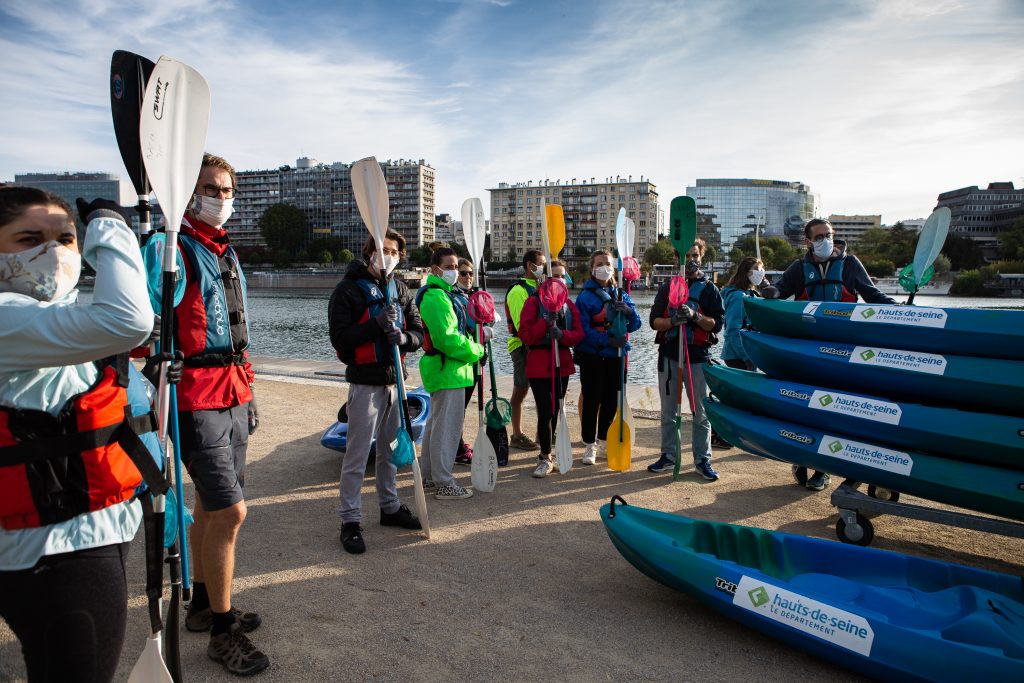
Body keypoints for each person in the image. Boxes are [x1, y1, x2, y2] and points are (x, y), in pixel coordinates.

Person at [0, 188, 166, 682]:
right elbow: (129, 320)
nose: (52, 252)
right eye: (29, 239)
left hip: (84, 526)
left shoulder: (54, 316)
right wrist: (112, 228)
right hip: (55, 547)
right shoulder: (7, 317)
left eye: (65, 239)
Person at [167, 154, 269, 675]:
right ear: (187, 193)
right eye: (210, 187)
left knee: (212, 504)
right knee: (231, 511)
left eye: (227, 189)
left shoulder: (224, 252)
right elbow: (144, 324)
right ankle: (222, 632)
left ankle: (204, 606)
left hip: (233, 390)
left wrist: (250, 392)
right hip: (194, 399)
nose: (220, 197)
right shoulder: (174, 252)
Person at [767, 218, 897, 492]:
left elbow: (872, 295)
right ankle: (802, 456)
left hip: (843, 350)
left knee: (831, 407)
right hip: (808, 349)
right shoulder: (799, 267)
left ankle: (822, 469)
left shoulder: (850, 264)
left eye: (829, 235)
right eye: (819, 236)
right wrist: (769, 291)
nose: (826, 240)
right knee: (804, 406)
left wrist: (900, 310)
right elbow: (782, 291)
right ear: (808, 241)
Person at [328, 231, 425, 554]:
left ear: (401, 255)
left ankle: (389, 506)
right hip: (365, 383)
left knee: (389, 452)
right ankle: (350, 520)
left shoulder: (399, 288)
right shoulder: (348, 290)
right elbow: (341, 339)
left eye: (393, 250)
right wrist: (377, 324)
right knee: (357, 456)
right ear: (368, 253)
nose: (387, 255)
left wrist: (405, 339)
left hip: (395, 382)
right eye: (381, 250)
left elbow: (419, 332)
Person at [647, 239, 725, 481]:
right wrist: (672, 322)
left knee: (700, 413)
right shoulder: (667, 286)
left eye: (695, 255)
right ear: (676, 259)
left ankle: (703, 459)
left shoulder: (710, 289)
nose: (690, 260)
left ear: (701, 257)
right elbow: (654, 322)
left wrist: (694, 315)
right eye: (685, 256)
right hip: (670, 356)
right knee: (668, 412)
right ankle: (668, 456)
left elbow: (716, 325)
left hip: (697, 358)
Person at [416, 247, 487, 499]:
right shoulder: (436, 297)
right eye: (449, 267)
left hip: (448, 369)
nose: (454, 271)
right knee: (446, 429)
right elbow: (447, 339)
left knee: (437, 427)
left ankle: (429, 478)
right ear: (435, 270)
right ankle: (444, 482)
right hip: (448, 369)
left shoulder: (445, 294)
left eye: (456, 267)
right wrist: (477, 349)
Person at [516, 261, 585, 477]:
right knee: (545, 411)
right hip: (539, 364)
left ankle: (553, 450)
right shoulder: (533, 303)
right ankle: (545, 456)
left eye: (562, 275)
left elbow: (579, 333)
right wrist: (544, 323)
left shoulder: (568, 305)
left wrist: (562, 335)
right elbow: (525, 335)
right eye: (553, 275)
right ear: (544, 278)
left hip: (561, 362)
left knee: (557, 409)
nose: (558, 279)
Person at [574, 250, 642, 465]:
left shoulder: (620, 294)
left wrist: (629, 312)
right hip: (593, 356)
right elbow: (582, 330)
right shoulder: (585, 297)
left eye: (608, 264)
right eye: (600, 264)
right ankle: (589, 446)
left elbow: (636, 324)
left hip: (616, 357)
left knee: (611, 402)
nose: (604, 267)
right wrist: (608, 341)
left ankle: (604, 440)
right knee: (592, 401)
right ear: (592, 269)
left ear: (613, 268)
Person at [504, 250, 546, 451]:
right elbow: (523, 326)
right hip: (522, 347)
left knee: (541, 391)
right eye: (541, 264)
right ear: (530, 265)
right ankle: (517, 434)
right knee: (521, 390)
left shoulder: (542, 287)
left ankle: (543, 431)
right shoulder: (518, 291)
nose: (543, 268)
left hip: (540, 345)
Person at [719, 256, 766, 372]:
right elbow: (732, 330)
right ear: (746, 272)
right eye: (757, 269)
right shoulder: (738, 297)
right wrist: (746, 357)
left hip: (748, 351)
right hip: (737, 355)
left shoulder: (750, 294)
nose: (761, 272)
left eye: (762, 269)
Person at [454, 257, 478, 467]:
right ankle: (457, 448)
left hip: (476, 357)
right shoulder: (455, 298)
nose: (468, 276)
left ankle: (457, 444)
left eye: (470, 273)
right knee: (457, 408)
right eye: (463, 273)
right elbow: (470, 324)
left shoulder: (471, 296)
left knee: (461, 406)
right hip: (463, 359)